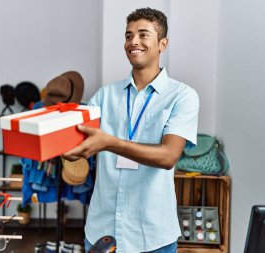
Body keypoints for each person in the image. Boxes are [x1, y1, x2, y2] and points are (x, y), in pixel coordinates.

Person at [63, 7, 199, 253]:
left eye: (143, 34)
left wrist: (109, 143)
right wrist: (65, 147)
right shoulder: (104, 96)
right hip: (101, 231)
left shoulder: (182, 96)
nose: (133, 41)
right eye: (128, 36)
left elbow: (168, 156)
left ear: (162, 44)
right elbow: (79, 143)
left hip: (153, 235)